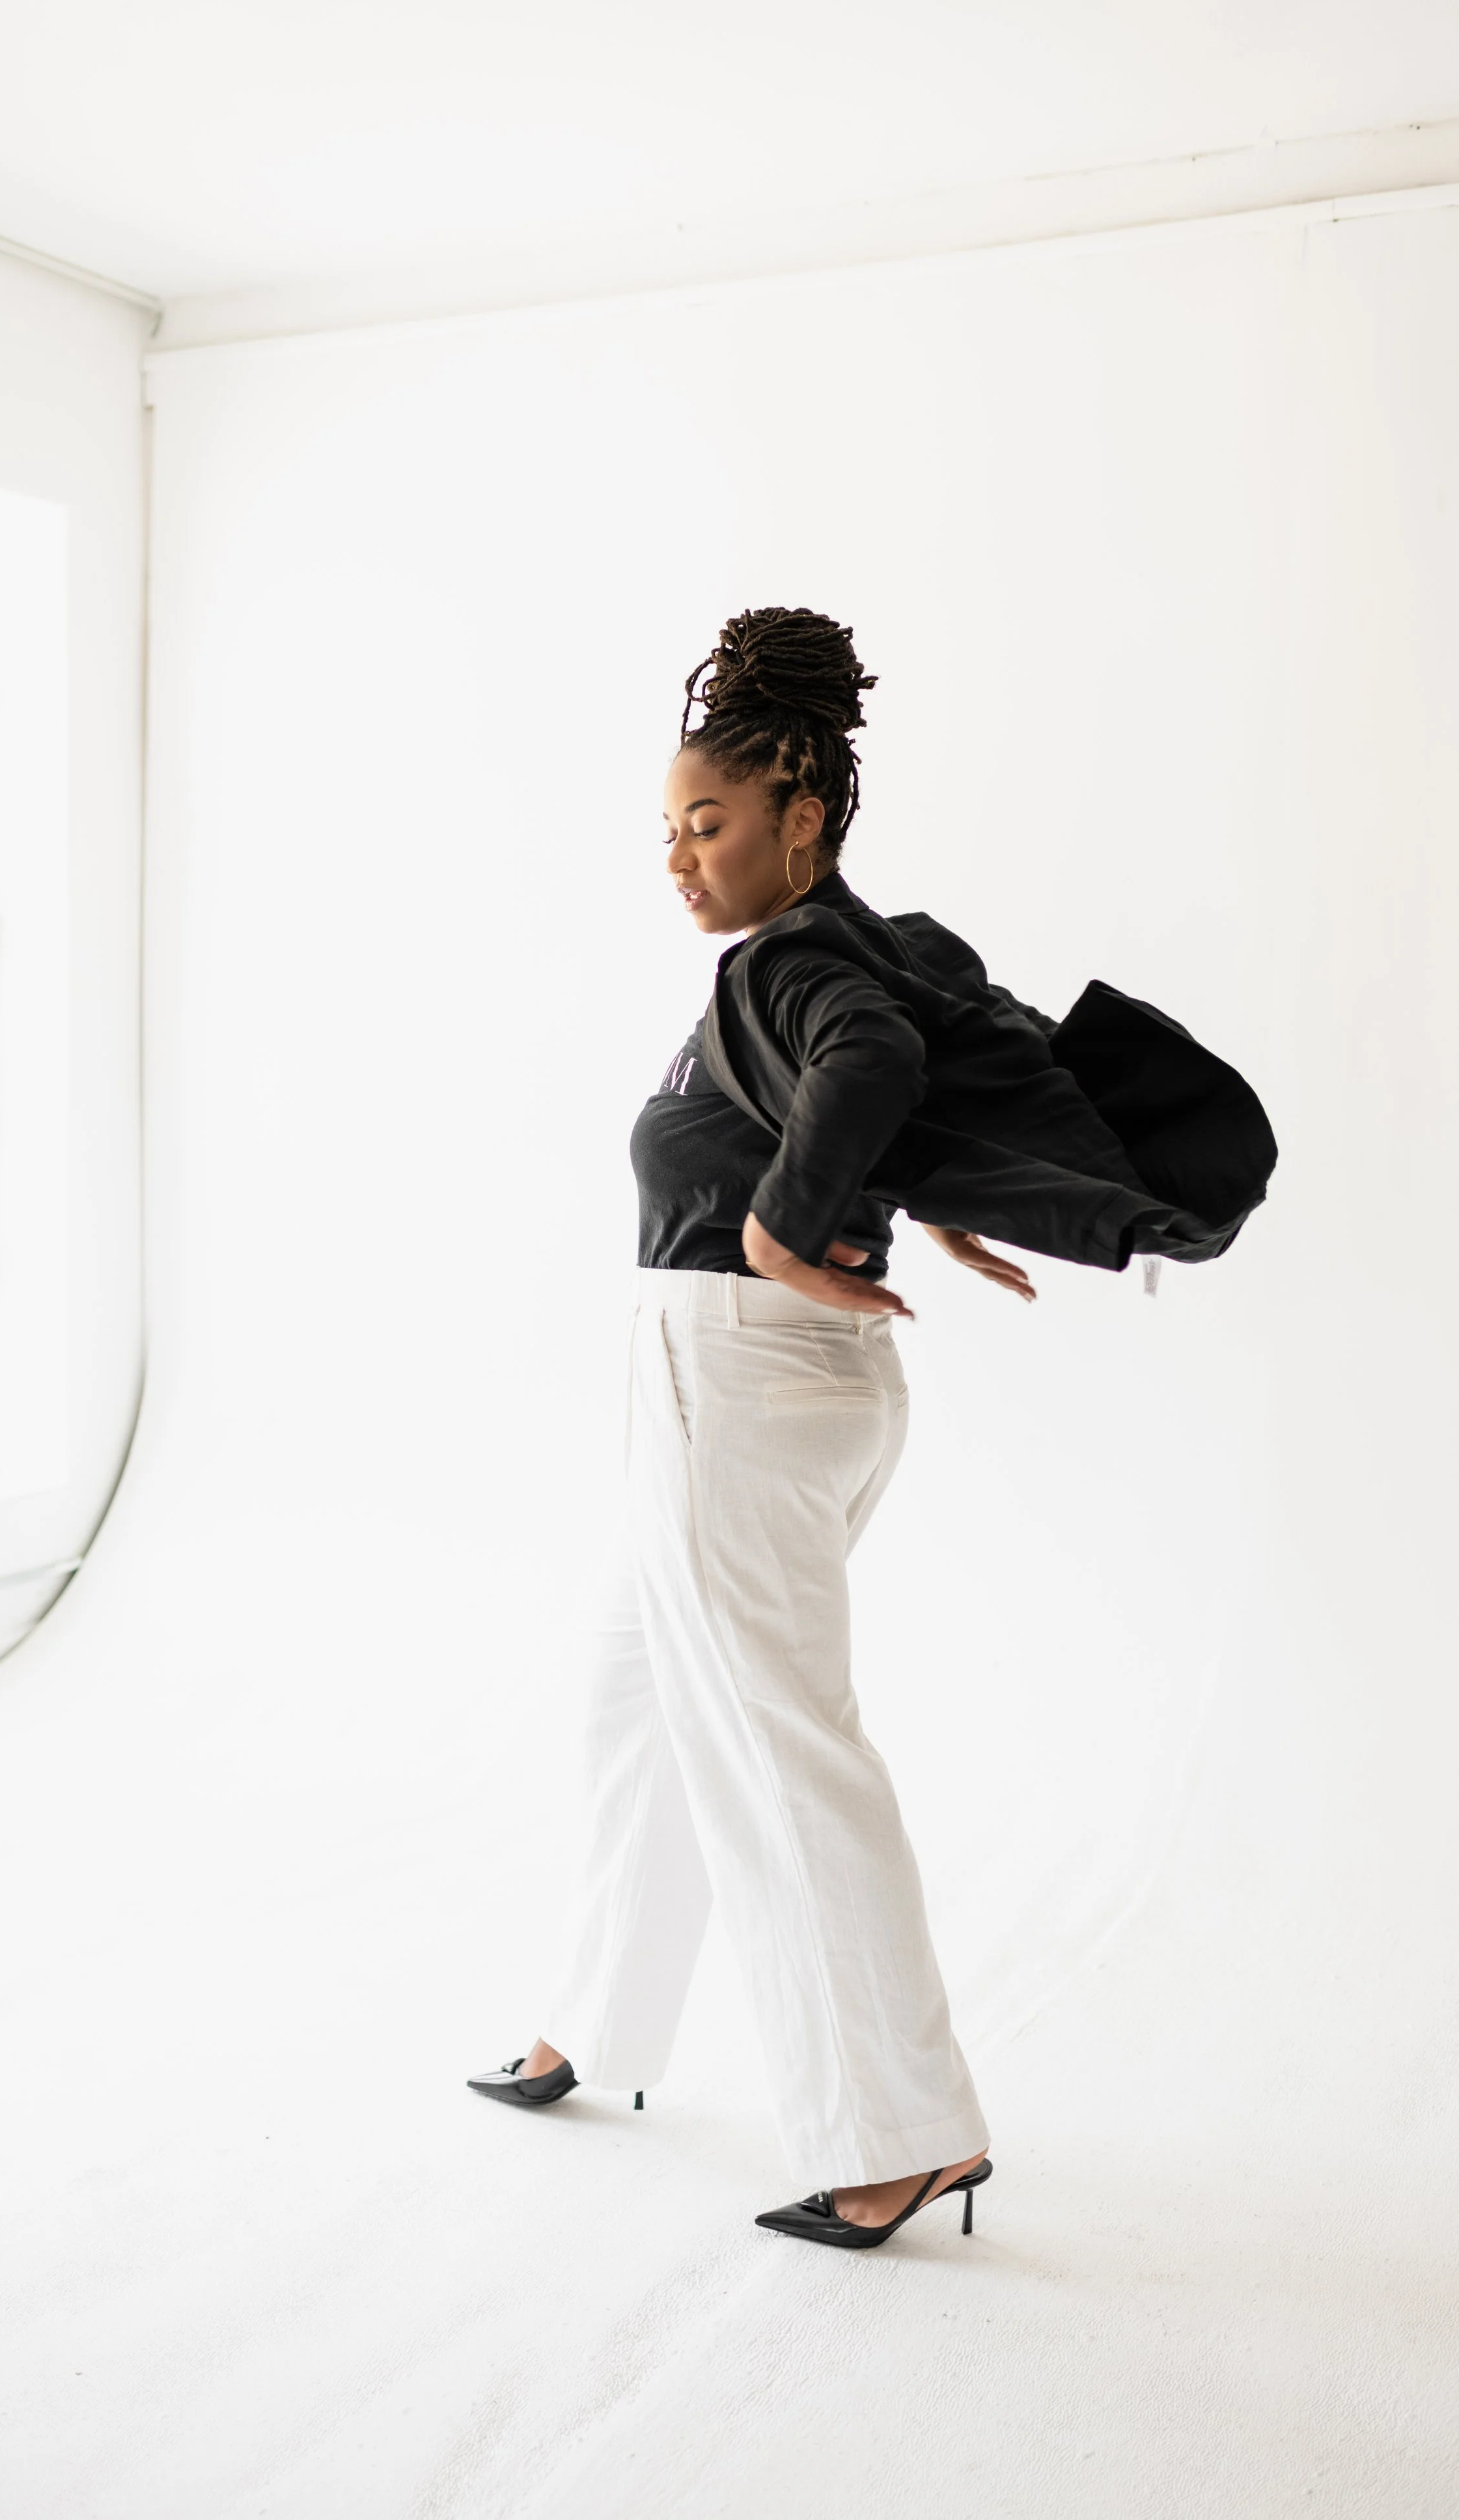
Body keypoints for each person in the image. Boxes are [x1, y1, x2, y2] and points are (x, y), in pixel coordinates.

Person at [467, 606, 1033, 2249]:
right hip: (753, 1391)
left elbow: (864, 1062)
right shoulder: (854, 946)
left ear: (801, 812)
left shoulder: (789, 961)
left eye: (703, 824)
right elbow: (911, 1051)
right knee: (633, 1705)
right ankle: (597, 2019)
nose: (678, 858)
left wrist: (794, 1221)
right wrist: (907, 1193)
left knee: (784, 1754)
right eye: (664, 831)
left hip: (737, 1379)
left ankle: (897, 2132)